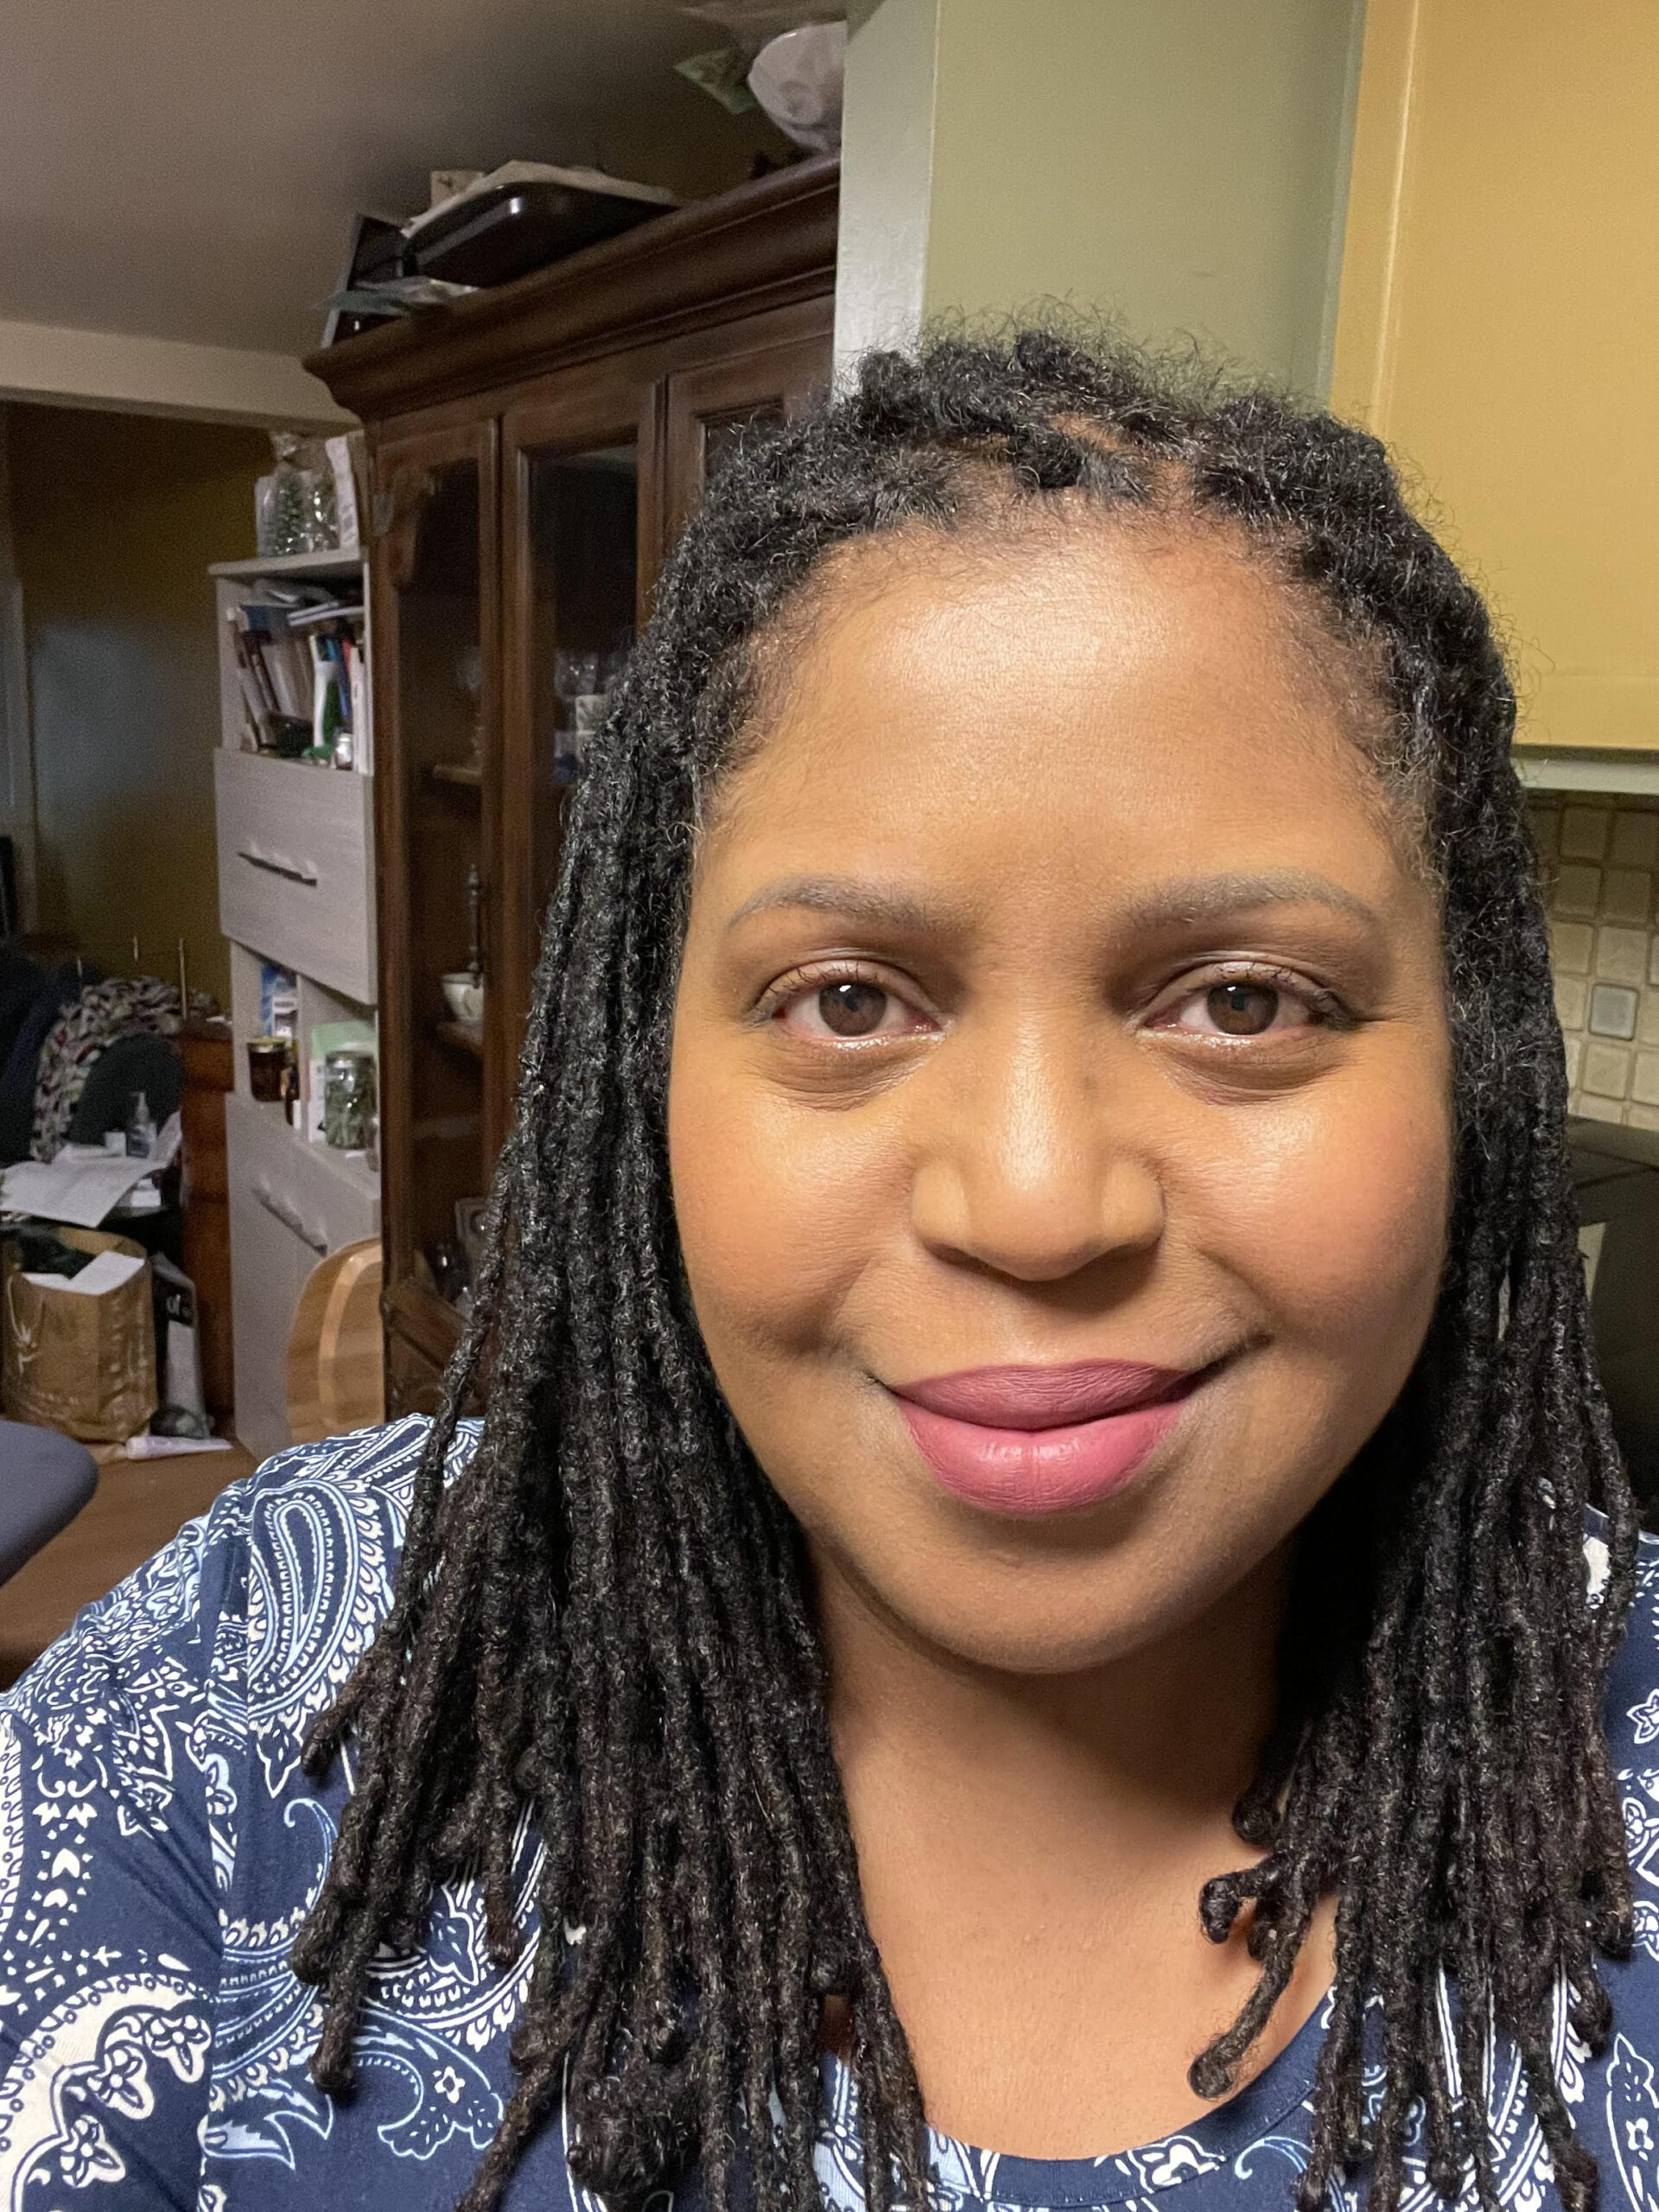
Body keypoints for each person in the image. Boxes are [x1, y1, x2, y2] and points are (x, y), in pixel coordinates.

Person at [0, 331, 1649, 2212]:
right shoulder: (236, 1703)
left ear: (1482, 1079)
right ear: (648, 1064)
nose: (1035, 1204)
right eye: (848, 997)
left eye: (1245, 999)